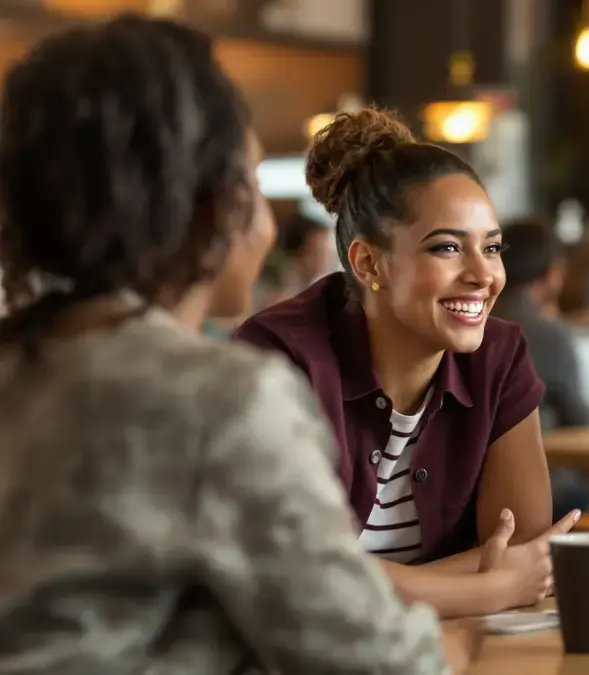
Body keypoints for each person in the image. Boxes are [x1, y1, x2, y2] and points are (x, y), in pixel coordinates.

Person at [0, 15, 478, 674]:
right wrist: (462, 643)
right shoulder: (221, 399)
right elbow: (377, 661)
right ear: (203, 208)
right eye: (251, 182)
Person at [234, 108, 578, 619]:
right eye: (447, 248)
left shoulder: (499, 356)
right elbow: (296, 579)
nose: (483, 275)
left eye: (491, 248)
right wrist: (487, 589)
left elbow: (524, 548)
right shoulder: (277, 361)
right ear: (369, 263)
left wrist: (383, 586)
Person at [492, 217, 589, 518]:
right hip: (535, 487)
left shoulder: (474, 320)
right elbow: (578, 419)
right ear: (552, 275)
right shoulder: (547, 334)